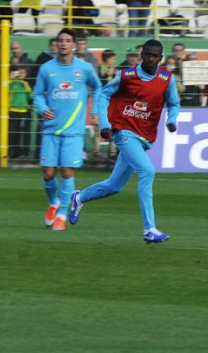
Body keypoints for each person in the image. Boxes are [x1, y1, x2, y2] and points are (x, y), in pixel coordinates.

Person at [69, 39, 181, 244]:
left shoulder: (166, 79)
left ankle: (79, 197)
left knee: (114, 186)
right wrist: (104, 123)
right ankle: (150, 229)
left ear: (160, 58)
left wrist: (172, 120)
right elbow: (103, 95)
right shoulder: (127, 76)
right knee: (147, 171)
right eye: (147, 54)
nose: (150, 58)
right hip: (123, 132)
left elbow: (174, 103)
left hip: (144, 137)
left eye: (155, 56)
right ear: (142, 55)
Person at [32, 28, 101, 231]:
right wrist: (43, 109)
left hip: (73, 130)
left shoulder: (85, 68)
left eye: (68, 40)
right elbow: (37, 95)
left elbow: (98, 88)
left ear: (73, 44)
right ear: (56, 44)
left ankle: (62, 212)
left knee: (67, 171)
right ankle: (53, 202)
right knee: (48, 173)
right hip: (51, 129)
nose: (63, 43)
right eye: (60, 40)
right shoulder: (46, 69)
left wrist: (95, 111)